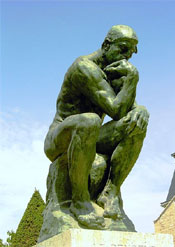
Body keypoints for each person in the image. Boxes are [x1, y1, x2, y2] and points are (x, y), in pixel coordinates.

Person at [44, 25, 149, 229]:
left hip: (91, 138)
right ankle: (80, 201)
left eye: (131, 52)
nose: (127, 56)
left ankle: (111, 191)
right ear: (106, 44)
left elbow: (128, 110)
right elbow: (116, 110)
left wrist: (141, 109)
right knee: (90, 120)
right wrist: (133, 78)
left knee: (138, 120)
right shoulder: (84, 67)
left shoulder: (116, 69)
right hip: (59, 138)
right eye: (123, 49)